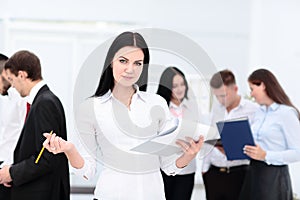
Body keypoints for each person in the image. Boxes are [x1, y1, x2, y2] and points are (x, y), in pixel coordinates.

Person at [42, 31, 204, 200]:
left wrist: (189, 154)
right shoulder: (90, 108)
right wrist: (70, 150)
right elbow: (87, 171)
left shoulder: (157, 104)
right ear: (111, 62)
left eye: (138, 63)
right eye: (123, 61)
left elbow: (169, 166)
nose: (130, 69)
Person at [0, 50, 70, 200]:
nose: (12, 87)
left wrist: (12, 173)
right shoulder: (42, 100)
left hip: (41, 192)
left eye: (12, 80)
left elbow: (46, 157)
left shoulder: (44, 103)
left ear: (22, 75)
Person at [240, 69, 300, 200]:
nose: (251, 94)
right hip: (254, 173)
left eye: (252, 88)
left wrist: (266, 155)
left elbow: (297, 152)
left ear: (263, 85)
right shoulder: (259, 112)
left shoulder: (286, 113)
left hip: (274, 177)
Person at [202, 69, 258, 200]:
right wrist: (205, 169)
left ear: (235, 88)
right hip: (214, 173)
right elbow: (211, 137)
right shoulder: (216, 109)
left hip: (239, 174)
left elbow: (257, 141)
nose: (221, 100)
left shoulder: (253, 110)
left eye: (224, 95)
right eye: (217, 96)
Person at [156, 66, 200, 200]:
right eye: (175, 86)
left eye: (182, 84)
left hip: (187, 169)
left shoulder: (192, 107)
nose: (180, 89)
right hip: (163, 169)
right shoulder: (159, 109)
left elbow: (199, 132)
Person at [0, 53, 26, 200]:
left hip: (8, 170)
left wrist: (10, 169)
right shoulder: (7, 99)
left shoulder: (21, 99)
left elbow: (21, 136)